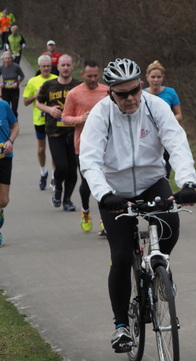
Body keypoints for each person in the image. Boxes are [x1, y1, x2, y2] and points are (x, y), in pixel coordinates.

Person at [79, 58, 196, 353]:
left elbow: (176, 143)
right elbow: (90, 158)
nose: (130, 98)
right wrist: (103, 194)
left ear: (141, 86)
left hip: (152, 181)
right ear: (110, 94)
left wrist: (187, 182)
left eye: (134, 91)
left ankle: (159, 270)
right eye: (122, 94)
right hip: (115, 191)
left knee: (171, 227)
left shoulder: (155, 106)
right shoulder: (101, 114)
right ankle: (121, 326)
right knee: (120, 257)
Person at [62, 60, 109, 233]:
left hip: (105, 144)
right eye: (89, 76)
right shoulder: (74, 94)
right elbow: (65, 118)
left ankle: (105, 220)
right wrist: (80, 119)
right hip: (82, 145)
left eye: (96, 75)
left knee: (105, 182)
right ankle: (85, 210)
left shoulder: (106, 91)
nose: (93, 78)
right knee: (87, 183)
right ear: (82, 75)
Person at [36, 54, 81, 211]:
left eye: (68, 65)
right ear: (58, 67)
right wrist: (49, 109)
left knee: (73, 172)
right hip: (55, 132)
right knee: (61, 167)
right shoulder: (49, 85)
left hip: (74, 132)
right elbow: (38, 103)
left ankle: (67, 200)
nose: (66, 68)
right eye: (63, 65)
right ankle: (58, 190)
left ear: (72, 66)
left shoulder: (78, 86)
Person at [23, 54, 58, 190]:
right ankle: (43, 172)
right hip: (39, 120)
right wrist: (35, 96)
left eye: (48, 66)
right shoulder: (33, 81)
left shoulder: (56, 80)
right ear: (39, 67)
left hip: (54, 120)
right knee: (41, 149)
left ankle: (55, 176)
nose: (46, 68)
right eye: (43, 66)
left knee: (55, 150)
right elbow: (25, 102)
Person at [144, 60, 182, 176]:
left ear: (163, 77)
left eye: (158, 77)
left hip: (165, 134)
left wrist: (166, 122)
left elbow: (179, 115)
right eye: (153, 77)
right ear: (147, 77)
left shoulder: (170, 93)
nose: (156, 80)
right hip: (148, 136)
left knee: (165, 167)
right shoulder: (142, 94)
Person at [0, 94, 20, 246]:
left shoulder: (4, 105)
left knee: (3, 201)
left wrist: (10, 141)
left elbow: (15, 126)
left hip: (4, 157)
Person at [0, 50, 24, 118]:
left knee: (14, 109)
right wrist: (0, 84)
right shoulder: (1, 68)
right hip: (5, 90)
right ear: (3, 59)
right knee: (6, 108)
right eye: (6, 58)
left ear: (11, 59)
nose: (7, 60)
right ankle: (7, 123)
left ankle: (15, 123)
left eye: (9, 58)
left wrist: (17, 83)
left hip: (14, 90)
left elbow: (22, 76)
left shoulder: (16, 67)